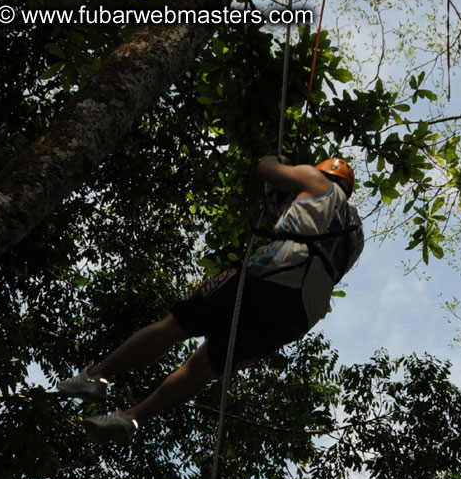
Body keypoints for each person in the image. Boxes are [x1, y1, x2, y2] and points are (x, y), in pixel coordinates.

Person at [57, 154, 364, 444]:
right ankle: (130, 419)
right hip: (300, 313)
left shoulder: (316, 180)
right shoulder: (355, 235)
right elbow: (314, 234)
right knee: (202, 366)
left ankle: (96, 377)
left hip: (273, 274)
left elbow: (266, 170)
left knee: (174, 326)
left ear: (324, 172)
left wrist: (276, 160)